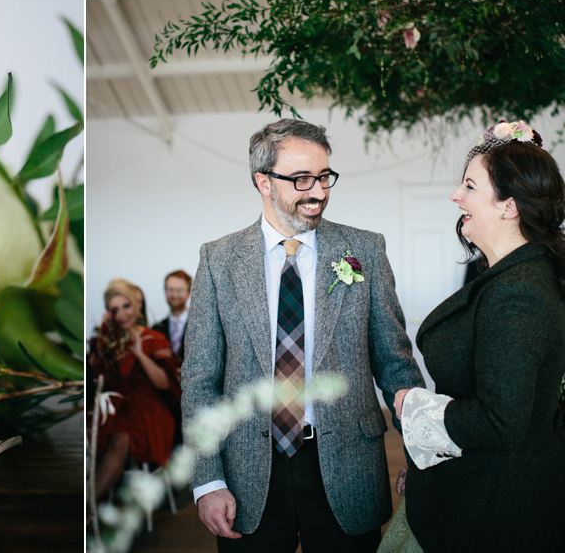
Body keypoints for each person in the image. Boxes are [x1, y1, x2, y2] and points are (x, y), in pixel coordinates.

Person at [182, 118, 425, 552]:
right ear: (263, 181)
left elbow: (395, 363)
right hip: (247, 474)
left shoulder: (364, 250)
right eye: (301, 179)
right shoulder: (218, 260)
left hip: (349, 466)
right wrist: (208, 480)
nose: (318, 192)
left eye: (324, 176)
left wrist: (418, 454)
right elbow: (200, 380)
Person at [384, 121, 565, 552]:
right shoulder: (513, 275)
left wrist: (414, 409)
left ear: (509, 207)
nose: (455, 196)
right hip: (475, 487)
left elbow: (501, 421)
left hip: (493, 507)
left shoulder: (519, 291)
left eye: (469, 186)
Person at [91, 278, 181, 500]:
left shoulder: (155, 339)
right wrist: (103, 338)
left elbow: (164, 383)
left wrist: (140, 355)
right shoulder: (109, 340)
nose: (122, 313)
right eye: (115, 309)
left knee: (119, 441)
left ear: (136, 305)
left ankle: (89, 505)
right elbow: (95, 375)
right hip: (115, 406)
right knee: (92, 439)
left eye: (126, 306)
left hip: (149, 409)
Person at [152, 269, 193, 359]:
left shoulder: (199, 326)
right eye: (170, 289)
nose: (174, 294)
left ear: (189, 292)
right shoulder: (156, 328)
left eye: (180, 290)